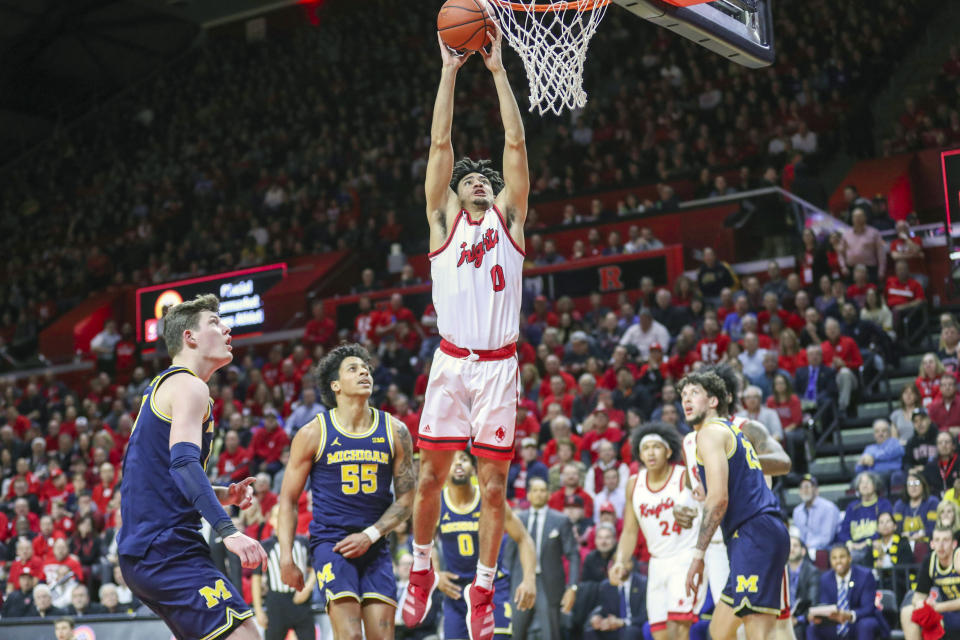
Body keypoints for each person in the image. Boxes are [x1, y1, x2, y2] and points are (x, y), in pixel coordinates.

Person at [405, 27, 531, 640]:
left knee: (494, 485)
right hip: (452, 364)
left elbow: (513, 139)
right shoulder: (440, 224)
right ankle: (421, 569)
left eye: (486, 179)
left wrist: (499, 71)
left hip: (499, 365)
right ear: (453, 195)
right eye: (468, 179)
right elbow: (439, 141)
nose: (479, 180)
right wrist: (450, 71)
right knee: (429, 478)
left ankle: (483, 588)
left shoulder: (510, 219)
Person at [116, 294, 267, 640]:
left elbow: (166, 472)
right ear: (190, 337)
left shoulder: (166, 387)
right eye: (214, 322)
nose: (227, 328)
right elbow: (183, 464)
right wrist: (228, 531)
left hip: (150, 548)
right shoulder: (188, 385)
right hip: (166, 548)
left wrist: (221, 495)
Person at [276, 344, 416, 640]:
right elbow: (288, 500)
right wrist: (286, 557)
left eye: (366, 367)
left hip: (375, 545)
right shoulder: (313, 433)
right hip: (332, 545)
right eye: (353, 368)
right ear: (335, 385)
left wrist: (371, 535)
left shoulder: (395, 430)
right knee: (350, 635)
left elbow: (407, 498)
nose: (364, 371)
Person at [679, 370, 791, 640]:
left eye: (694, 393)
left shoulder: (710, 433)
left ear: (715, 401)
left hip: (755, 532)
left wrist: (697, 557)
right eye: (683, 395)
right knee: (719, 632)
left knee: (760, 633)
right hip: (750, 534)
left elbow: (718, 499)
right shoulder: (729, 433)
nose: (686, 399)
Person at [609, 422, 705, 640]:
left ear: (669, 451)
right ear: (639, 455)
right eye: (646, 448)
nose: (651, 452)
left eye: (657, 447)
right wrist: (620, 561)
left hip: (685, 557)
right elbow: (630, 531)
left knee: (680, 628)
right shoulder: (634, 484)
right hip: (657, 562)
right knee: (659, 632)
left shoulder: (683, 477)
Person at [436, 450, 537, 640]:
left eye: (464, 459)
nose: (458, 464)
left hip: (491, 590)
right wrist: (436, 574)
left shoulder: (490, 501)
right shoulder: (438, 503)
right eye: (452, 461)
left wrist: (529, 579)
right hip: (456, 592)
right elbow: (426, 541)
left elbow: (524, 538)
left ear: (474, 469)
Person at [512, 477, 581, 640]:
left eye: (543, 490)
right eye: (535, 490)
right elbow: (509, 556)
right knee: (515, 633)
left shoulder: (561, 520)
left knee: (551, 634)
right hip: (520, 582)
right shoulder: (518, 519)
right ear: (528, 495)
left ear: (549, 495)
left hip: (548, 584)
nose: (538, 494)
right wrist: (505, 586)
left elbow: (573, 554)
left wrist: (572, 587)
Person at [251, 507, 316, 640]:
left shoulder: (303, 542)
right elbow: (256, 578)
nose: (282, 519)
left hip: (301, 600)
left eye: (285, 515)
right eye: (277, 516)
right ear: (271, 521)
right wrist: (258, 611)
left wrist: (308, 588)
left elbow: (316, 567)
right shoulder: (265, 546)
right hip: (276, 603)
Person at [807, 544, 888, 639]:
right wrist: (819, 616)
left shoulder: (865, 575)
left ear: (849, 558)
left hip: (857, 621)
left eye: (842, 557)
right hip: (835, 622)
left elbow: (868, 608)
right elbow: (825, 604)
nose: (838, 561)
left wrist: (849, 615)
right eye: (834, 558)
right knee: (812, 628)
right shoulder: (825, 578)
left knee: (866, 625)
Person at [900, 525, 960, 640]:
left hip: (947, 608)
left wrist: (937, 607)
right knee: (907, 612)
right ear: (932, 544)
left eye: (946, 540)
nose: (941, 545)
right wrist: (921, 603)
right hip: (948, 612)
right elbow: (918, 596)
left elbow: (938, 608)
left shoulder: (958, 558)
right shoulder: (930, 560)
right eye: (937, 540)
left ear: (954, 544)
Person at [586, 555, 649, 640]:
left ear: (631, 564)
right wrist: (597, 617)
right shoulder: (606, 586)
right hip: (613, 626)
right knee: (590, 631)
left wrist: (622, 622)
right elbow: (601, 608)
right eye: (617, 563)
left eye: (624, 562)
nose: (621, 566)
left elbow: (645, 615)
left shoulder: (643, 583)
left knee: (629, 632)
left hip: (633, 626)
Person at [792, 474, 842, 556]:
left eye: (808, 487)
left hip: (825, 550)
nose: (804, 490)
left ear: (816, 490)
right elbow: (798, 535)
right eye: (802, 487)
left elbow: (827, 538)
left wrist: (807, 546)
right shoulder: (797, 511)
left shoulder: (828, 508)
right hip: (804, 551)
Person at [787, 536, 821, 640]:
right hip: (783, 617)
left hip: (801, 618)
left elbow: (812, 603)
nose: (791, 549)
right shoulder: (780, 571)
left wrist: (797, 619)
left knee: (797, 630)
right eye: (789, 546)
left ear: (803, 551)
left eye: (795, 546)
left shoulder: (812, 572)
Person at [892, 471, 938, 543]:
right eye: (910, 484)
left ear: (923, 485)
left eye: (916, 483)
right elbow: (896, 530)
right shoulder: (899, 505)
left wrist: (910, 534)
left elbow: (932, 529)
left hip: (926, 544)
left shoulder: (932, 502)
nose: (913, 487)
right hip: (904, 545)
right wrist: (919, 534)